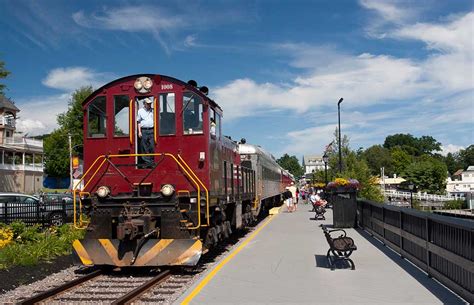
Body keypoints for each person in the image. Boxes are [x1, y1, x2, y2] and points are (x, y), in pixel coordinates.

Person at [137, 97, 155, 168]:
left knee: (152, 146)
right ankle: (147, 163)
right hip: (144, 130)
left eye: (150, 103)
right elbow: (138, 122)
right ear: (144, 104)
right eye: (148, 104)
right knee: (144, 147)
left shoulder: (153, 110)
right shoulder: (140, 111)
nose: (149, 105)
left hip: (152, 130)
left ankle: (151, 161)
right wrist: (139, 132)